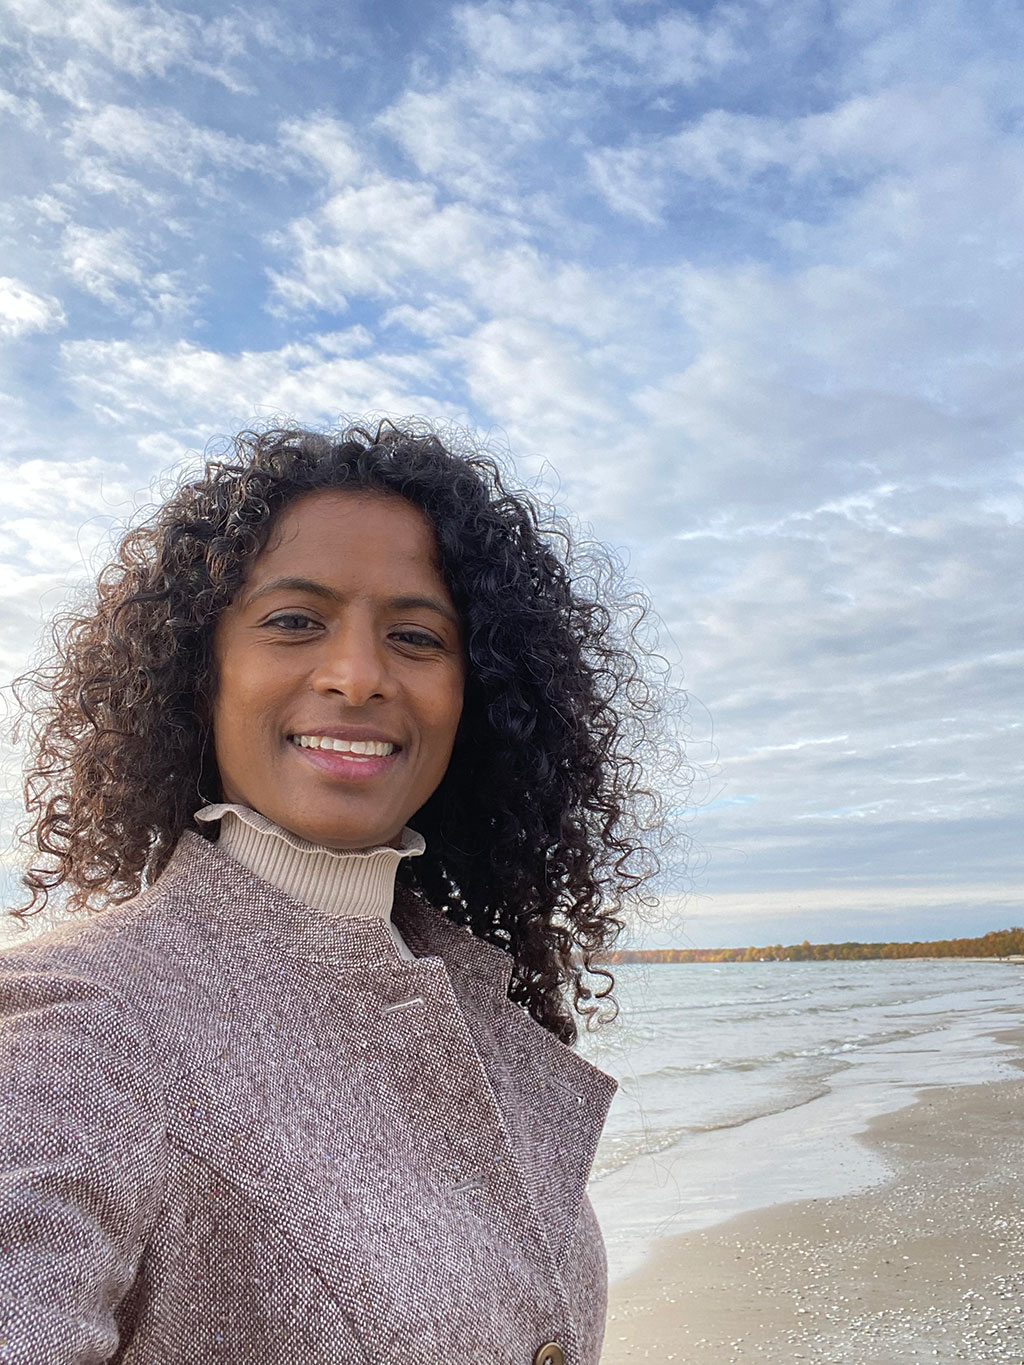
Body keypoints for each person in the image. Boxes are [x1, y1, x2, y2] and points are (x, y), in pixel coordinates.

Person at [0, 422, 666, 1365]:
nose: (357, 676)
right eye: (293, 621)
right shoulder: (80, 1022)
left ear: (475, 694)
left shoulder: (469, 996)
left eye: (416, 636)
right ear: (199, 671)